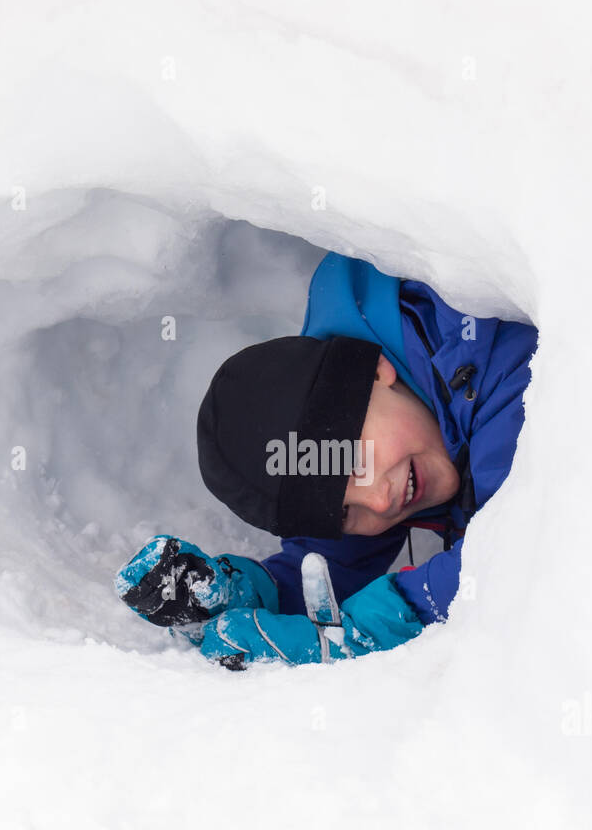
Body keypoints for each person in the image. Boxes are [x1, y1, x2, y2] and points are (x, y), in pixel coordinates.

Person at [115, 251, 539, 669]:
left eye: (355, 462)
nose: (378, 500)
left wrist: (393, 617)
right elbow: (328, 559)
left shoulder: (507, 373)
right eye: (343, 512)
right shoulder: (392, 417)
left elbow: (525, 544)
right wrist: (252, 596)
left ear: (377, 371)